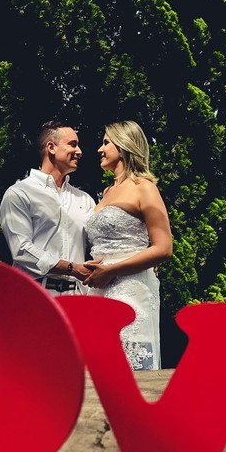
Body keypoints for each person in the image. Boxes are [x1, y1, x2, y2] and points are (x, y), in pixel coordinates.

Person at [82, 120, 173, 370]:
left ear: (122, 147)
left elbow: (164, 247)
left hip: (130, 290)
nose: (100, 149)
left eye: (106, 143)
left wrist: (111, 270)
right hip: (98, 291)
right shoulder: (106, 192)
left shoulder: (144, 188)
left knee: (129, 366)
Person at [0, 121, 98, 295]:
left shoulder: (86, 199)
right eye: (72, 144)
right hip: (35, 298)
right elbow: (21, 250)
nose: (80, 152)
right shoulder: (19, 193)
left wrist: (136, 262)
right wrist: (71, 268)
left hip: (79, 299)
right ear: (51, 147)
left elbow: (101, 243)